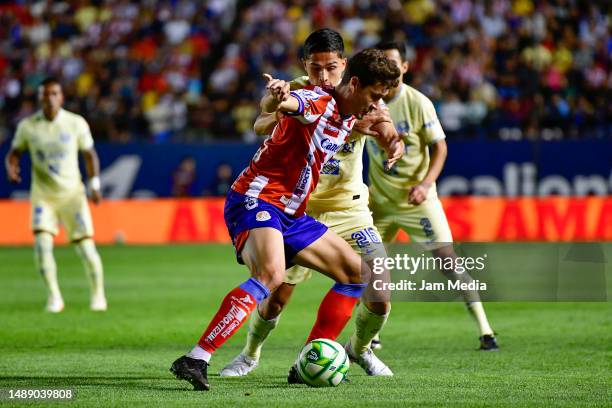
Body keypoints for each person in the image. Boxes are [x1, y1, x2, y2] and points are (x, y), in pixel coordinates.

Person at [170, 48, 400, 391]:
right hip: (256, 198)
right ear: (354, 84)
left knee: (357, 275)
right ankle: (196, 357)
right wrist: (279, 97)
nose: (376, 104)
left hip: (292, 213)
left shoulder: (351, 113)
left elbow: (379, 119)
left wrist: (391, 137)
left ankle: (308, 359)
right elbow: (291, 105)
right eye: (374, 95)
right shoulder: (317, 102)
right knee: (271, 275)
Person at [366, 41, 498, 350]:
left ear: (405, 67)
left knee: (449, 262)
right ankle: (372, 335)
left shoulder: (418, 102)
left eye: (392, 62)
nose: (387, 67)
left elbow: (440, 148)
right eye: (382, 62)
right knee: (369, 267)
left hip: (416, 200)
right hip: (379, 202)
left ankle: (485, 330)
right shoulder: (368, 101)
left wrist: (425, 185)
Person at [4, 77, 107, 313]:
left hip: (73, 194)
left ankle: (98, 295)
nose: (49, 98)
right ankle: (54, 297)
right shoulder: (28, 126)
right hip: (43, 195)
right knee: (42, 244)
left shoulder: (75, 123)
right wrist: (11, 167)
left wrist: (95, 184)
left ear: (61, 97)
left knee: (86, 248)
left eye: (54, 93)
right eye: (45, 94)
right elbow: (14, 153)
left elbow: (90, 154)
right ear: (39, 98)